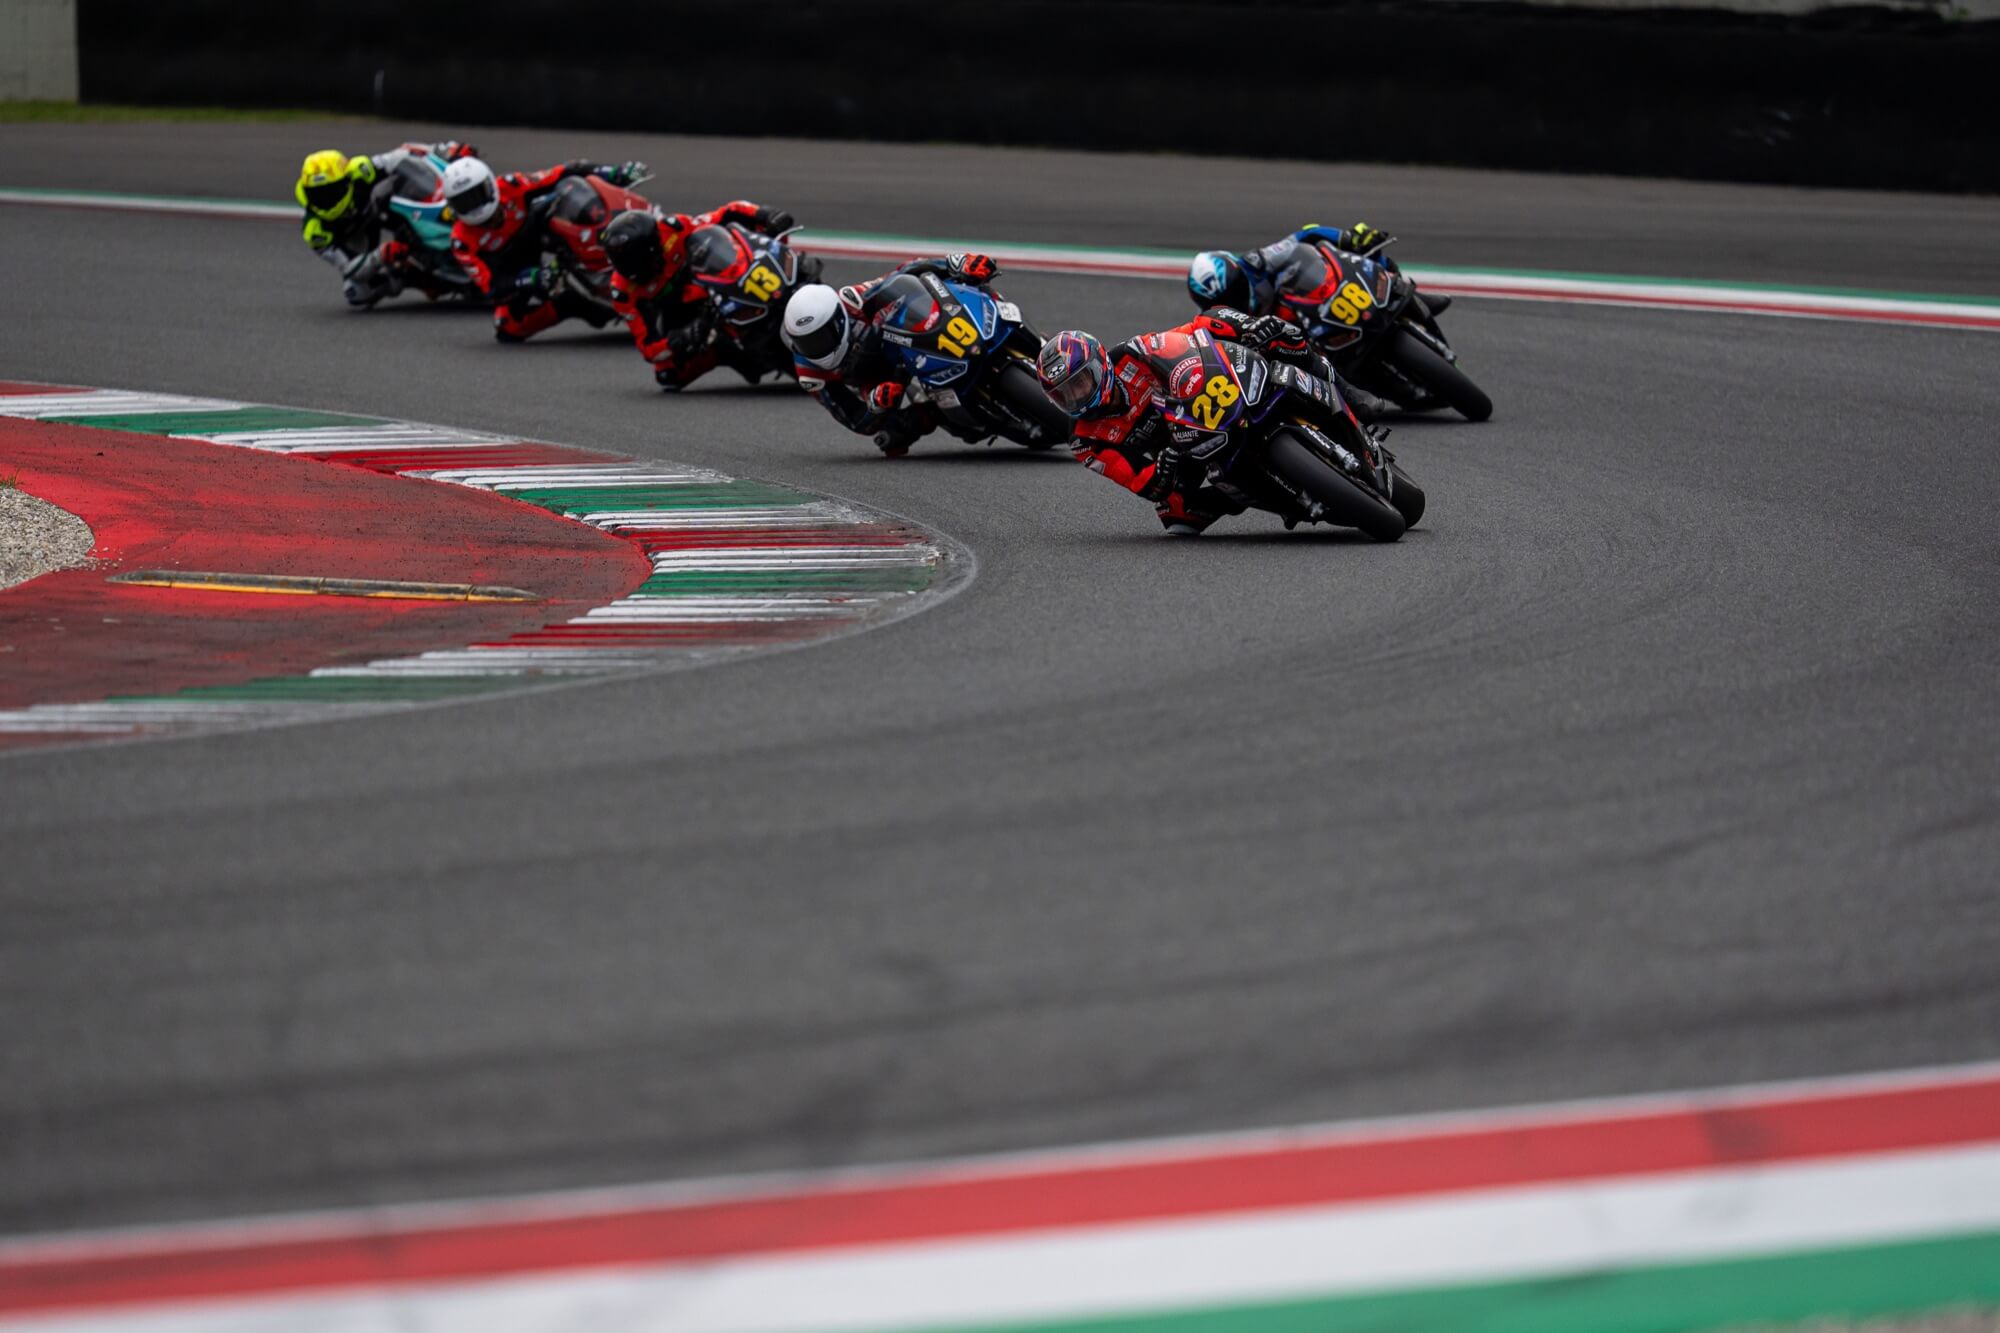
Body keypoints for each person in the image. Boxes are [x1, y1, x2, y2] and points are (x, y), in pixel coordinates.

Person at [1036, 308, 1323, 535]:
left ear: (1099, 364)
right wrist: (1160, 473)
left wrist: (1247, 327)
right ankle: (1281, 501)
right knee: (1176, 515)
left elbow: (1193, 333)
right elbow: (1138, 481)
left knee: (1236, 325)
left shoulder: (1133, 353)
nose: (1076, 397)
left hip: (1206, 401)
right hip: (1179, 453)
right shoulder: (1084, 440)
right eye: (1064, 395)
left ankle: (1334, 382)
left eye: (1080, 383)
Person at [1188, 223, 1451, 419]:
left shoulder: (1256, 261)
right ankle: (1379, 390)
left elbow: (1306, 235)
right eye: (1227, 298)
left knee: (1366, 248)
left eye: (1235, 288)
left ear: (1235, 268)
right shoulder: (1227, 322)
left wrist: (1346, 237)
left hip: (1326, 304)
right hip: (1315, 344)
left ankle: (1410, 293)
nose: (1236, 298)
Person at [778, 253, 1002, 455]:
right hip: (882, 381)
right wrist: (875, 405)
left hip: (900, 342)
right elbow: (853, 418)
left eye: (820, 338)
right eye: (805, 343)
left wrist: (956, 264)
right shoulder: (809, 373)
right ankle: (948, 412)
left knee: (965, 285)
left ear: (838, 319)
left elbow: (903, 273)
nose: (814, 348)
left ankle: (999, 317)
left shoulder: (853, 300)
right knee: (895, 434)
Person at [443, 154, 649, 341]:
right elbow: (491, 288)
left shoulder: (511, 185)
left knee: (569, 188)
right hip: (515, 271)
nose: (474, 206)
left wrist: (612, 172)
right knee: (508, 326)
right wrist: (528, 279)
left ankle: (627, 232)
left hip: (541, 236)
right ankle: (571, 303)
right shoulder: (461, 242)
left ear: (490, 185)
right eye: (464, 202)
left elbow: (564, 172)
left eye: (477, 195)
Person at [601, 200, 800, 389]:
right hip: (688, 315)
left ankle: (794, 272)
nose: (628, 269)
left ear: (653, 247)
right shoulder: (623, 292)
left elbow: (727, 212)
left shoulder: (673, 229)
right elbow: (649, 349)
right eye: (620, 262)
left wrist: (764, 214)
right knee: (668, 374)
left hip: (721, 280)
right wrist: (682, 337)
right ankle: (729, 351)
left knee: (759, 235)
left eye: (633, 260)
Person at [294, 141, 477, 306]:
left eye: (331, 192)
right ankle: (416, 278)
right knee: (356, 291)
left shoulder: (361, 169)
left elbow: (404, 154)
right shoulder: (315, 231)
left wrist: (446, 151)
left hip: (382, 210)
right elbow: (348, 267)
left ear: (347, 181)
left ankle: (443, 222)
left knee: (404, 180)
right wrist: (380, 255)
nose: (326, 200)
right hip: (359, 240)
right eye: (317, 195)